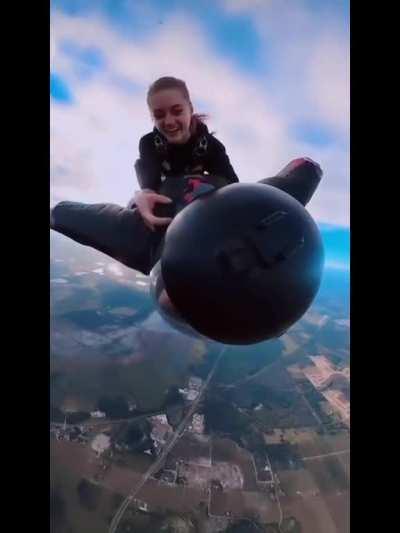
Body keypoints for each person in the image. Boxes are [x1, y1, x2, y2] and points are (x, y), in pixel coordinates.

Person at [50, 76, 322, 276]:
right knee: (70, 214)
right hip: (160, 209)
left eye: (177, 110)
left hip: (204, 198)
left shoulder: (212, 147)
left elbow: (234, 189)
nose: (168, 121)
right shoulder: (149, 143)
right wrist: (143, 195)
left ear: (190, 108)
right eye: (159, 115)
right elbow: (149, 176)